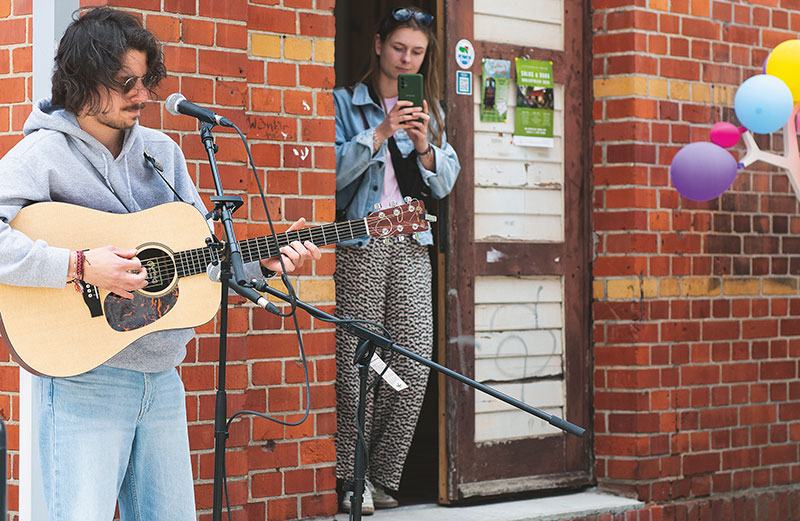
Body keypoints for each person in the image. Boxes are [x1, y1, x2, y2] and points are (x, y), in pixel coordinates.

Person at [0, 7, 320, 520]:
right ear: (83, 80)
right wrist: (79, 265)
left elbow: (204, 257)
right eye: (126, 81)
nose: (142, 95)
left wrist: (264, 265)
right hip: (87, 381)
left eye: (146, 80)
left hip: (163, 378)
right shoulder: (41, 156)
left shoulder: (163, 153)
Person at [333, 6, 460, 514]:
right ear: (379, 45)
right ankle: (351, 479)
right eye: (399, 48)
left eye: (418, 52)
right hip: (362, 241)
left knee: (410, 361)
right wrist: (381, 132)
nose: (407, 59)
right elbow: (335, 175)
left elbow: (445, 183)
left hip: (410, 241)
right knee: (357, 363)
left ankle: (382, 476)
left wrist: (424, 144)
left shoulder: (431, 110)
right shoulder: (345, 103)